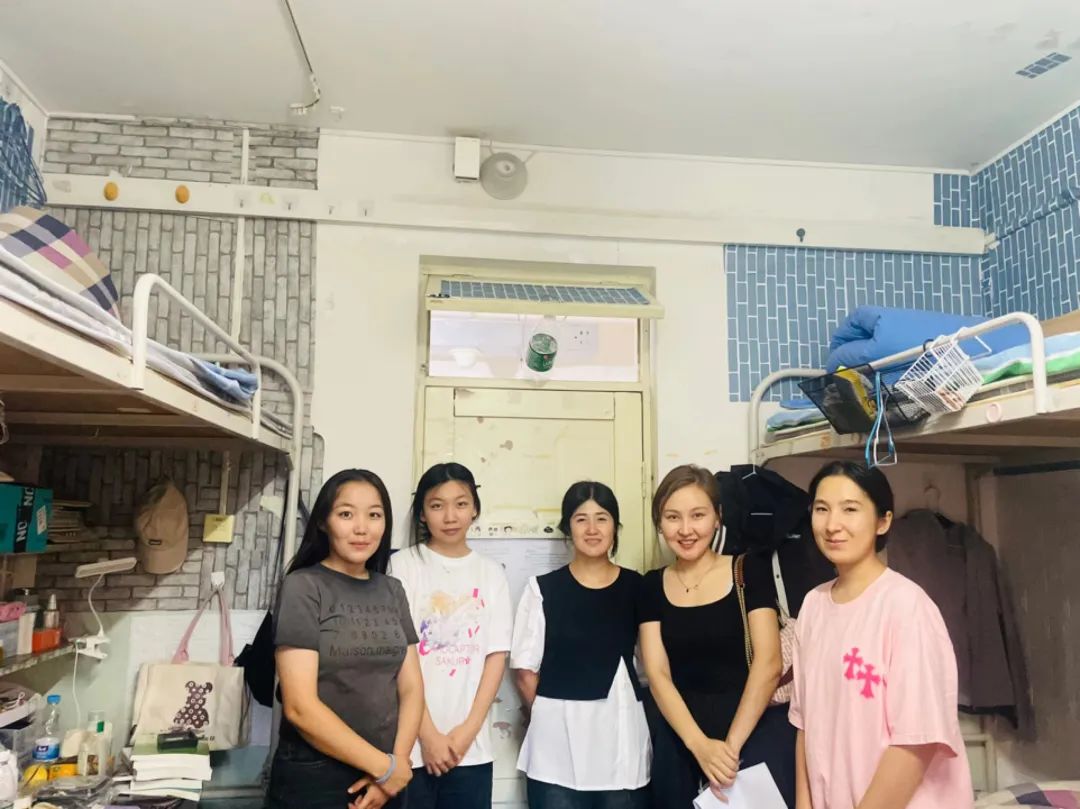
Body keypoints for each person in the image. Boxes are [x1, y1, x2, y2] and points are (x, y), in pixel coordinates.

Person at [791, 461, 972, 809]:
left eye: (850, 509)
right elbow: (804, 724)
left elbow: (916, 741)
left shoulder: (906, 606)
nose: (832, 525)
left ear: (883, 521)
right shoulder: (813, 606)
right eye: (822, 509)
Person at [640, 464, 795, 808]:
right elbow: (658, 673)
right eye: (672, 517)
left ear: (717, 517)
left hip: (750, 735)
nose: (685, 529)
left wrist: (728, 750)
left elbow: (769, 663)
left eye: (698, 515)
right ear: (660, 523)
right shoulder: (651, 585)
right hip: (680, 741)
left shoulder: (748, 569)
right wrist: (699, 746)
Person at [270, 469, 423, 809]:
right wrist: (385, 769)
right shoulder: (303, 587)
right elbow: (299, 707)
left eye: (374, 515)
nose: (362, 528)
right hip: (315, 776)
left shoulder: (392, 590)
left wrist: (396, 766)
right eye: (346, 514)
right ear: (324, 523)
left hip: (387, 775)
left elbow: (412, 688)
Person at [511, 481, 651, 809]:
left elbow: (651, 666)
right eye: (581, 519)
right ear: (567, 528)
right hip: (556, 746)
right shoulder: (542, 589)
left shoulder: (638, 587)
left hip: (621, 740)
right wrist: (551, 716)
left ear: (615, 527)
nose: (592, 529)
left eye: (601, 518)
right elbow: (525, 671)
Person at [388, 462, 513, 809]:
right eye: (437, 505)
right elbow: (398, 654)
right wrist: (427, 734)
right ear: (422, 513)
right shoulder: (403, 566)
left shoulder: (491, 573)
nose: (450, 516)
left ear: (475, 509)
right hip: (410, 748)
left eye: (460, 504)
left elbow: (496, 657)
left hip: (471, 751)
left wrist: (467, 732)